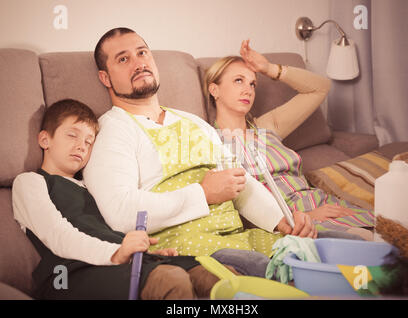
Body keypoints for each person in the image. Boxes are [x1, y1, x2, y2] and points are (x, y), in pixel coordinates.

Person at [83, 27, 318, 273]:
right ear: (105, 78)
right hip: (190, 251)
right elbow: (120, 213)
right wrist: (203, 194)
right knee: (290, 273)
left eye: (142, 53)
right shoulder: (112, 130)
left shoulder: (191, 121)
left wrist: (282, 221)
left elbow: (240, 181)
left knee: (321, 249)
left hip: (240, 239)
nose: (139, 63)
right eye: (123, 59)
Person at [12, 99, 238, 300]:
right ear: (44, 139)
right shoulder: (30, 182)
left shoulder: (93, 187)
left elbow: (113, 227)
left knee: (216, 275)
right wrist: (117, 253)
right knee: (170, 281)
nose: (82, 145)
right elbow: (58, 236)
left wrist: (144, 254)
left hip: (119, 262)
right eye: (72, 135)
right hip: (69, 273)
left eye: (89, 141)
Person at [203, 40, 375, 239]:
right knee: (371, 248)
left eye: (252, 84)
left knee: (398, 237)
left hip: (327, 205)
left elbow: (320, 87)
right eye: (238, 81)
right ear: (214, 89)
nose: (248, 90)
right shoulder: (209, 142)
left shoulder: (266, 127)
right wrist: (301, 218)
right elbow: (237, 205)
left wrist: (269, 68)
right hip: (292, 223)